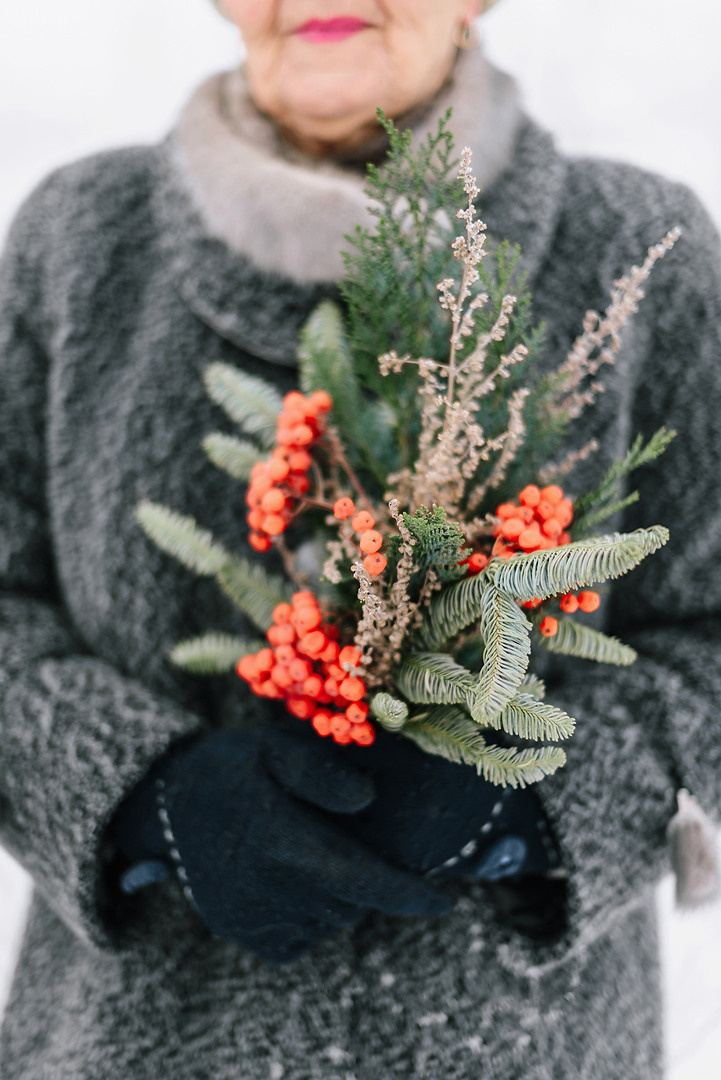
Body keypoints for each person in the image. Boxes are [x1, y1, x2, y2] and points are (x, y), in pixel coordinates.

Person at [1, 1, 720, 1077]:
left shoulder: (631, 251)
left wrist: (539, 805)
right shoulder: (80, 242)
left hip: (521, 1047)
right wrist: (137, 797)